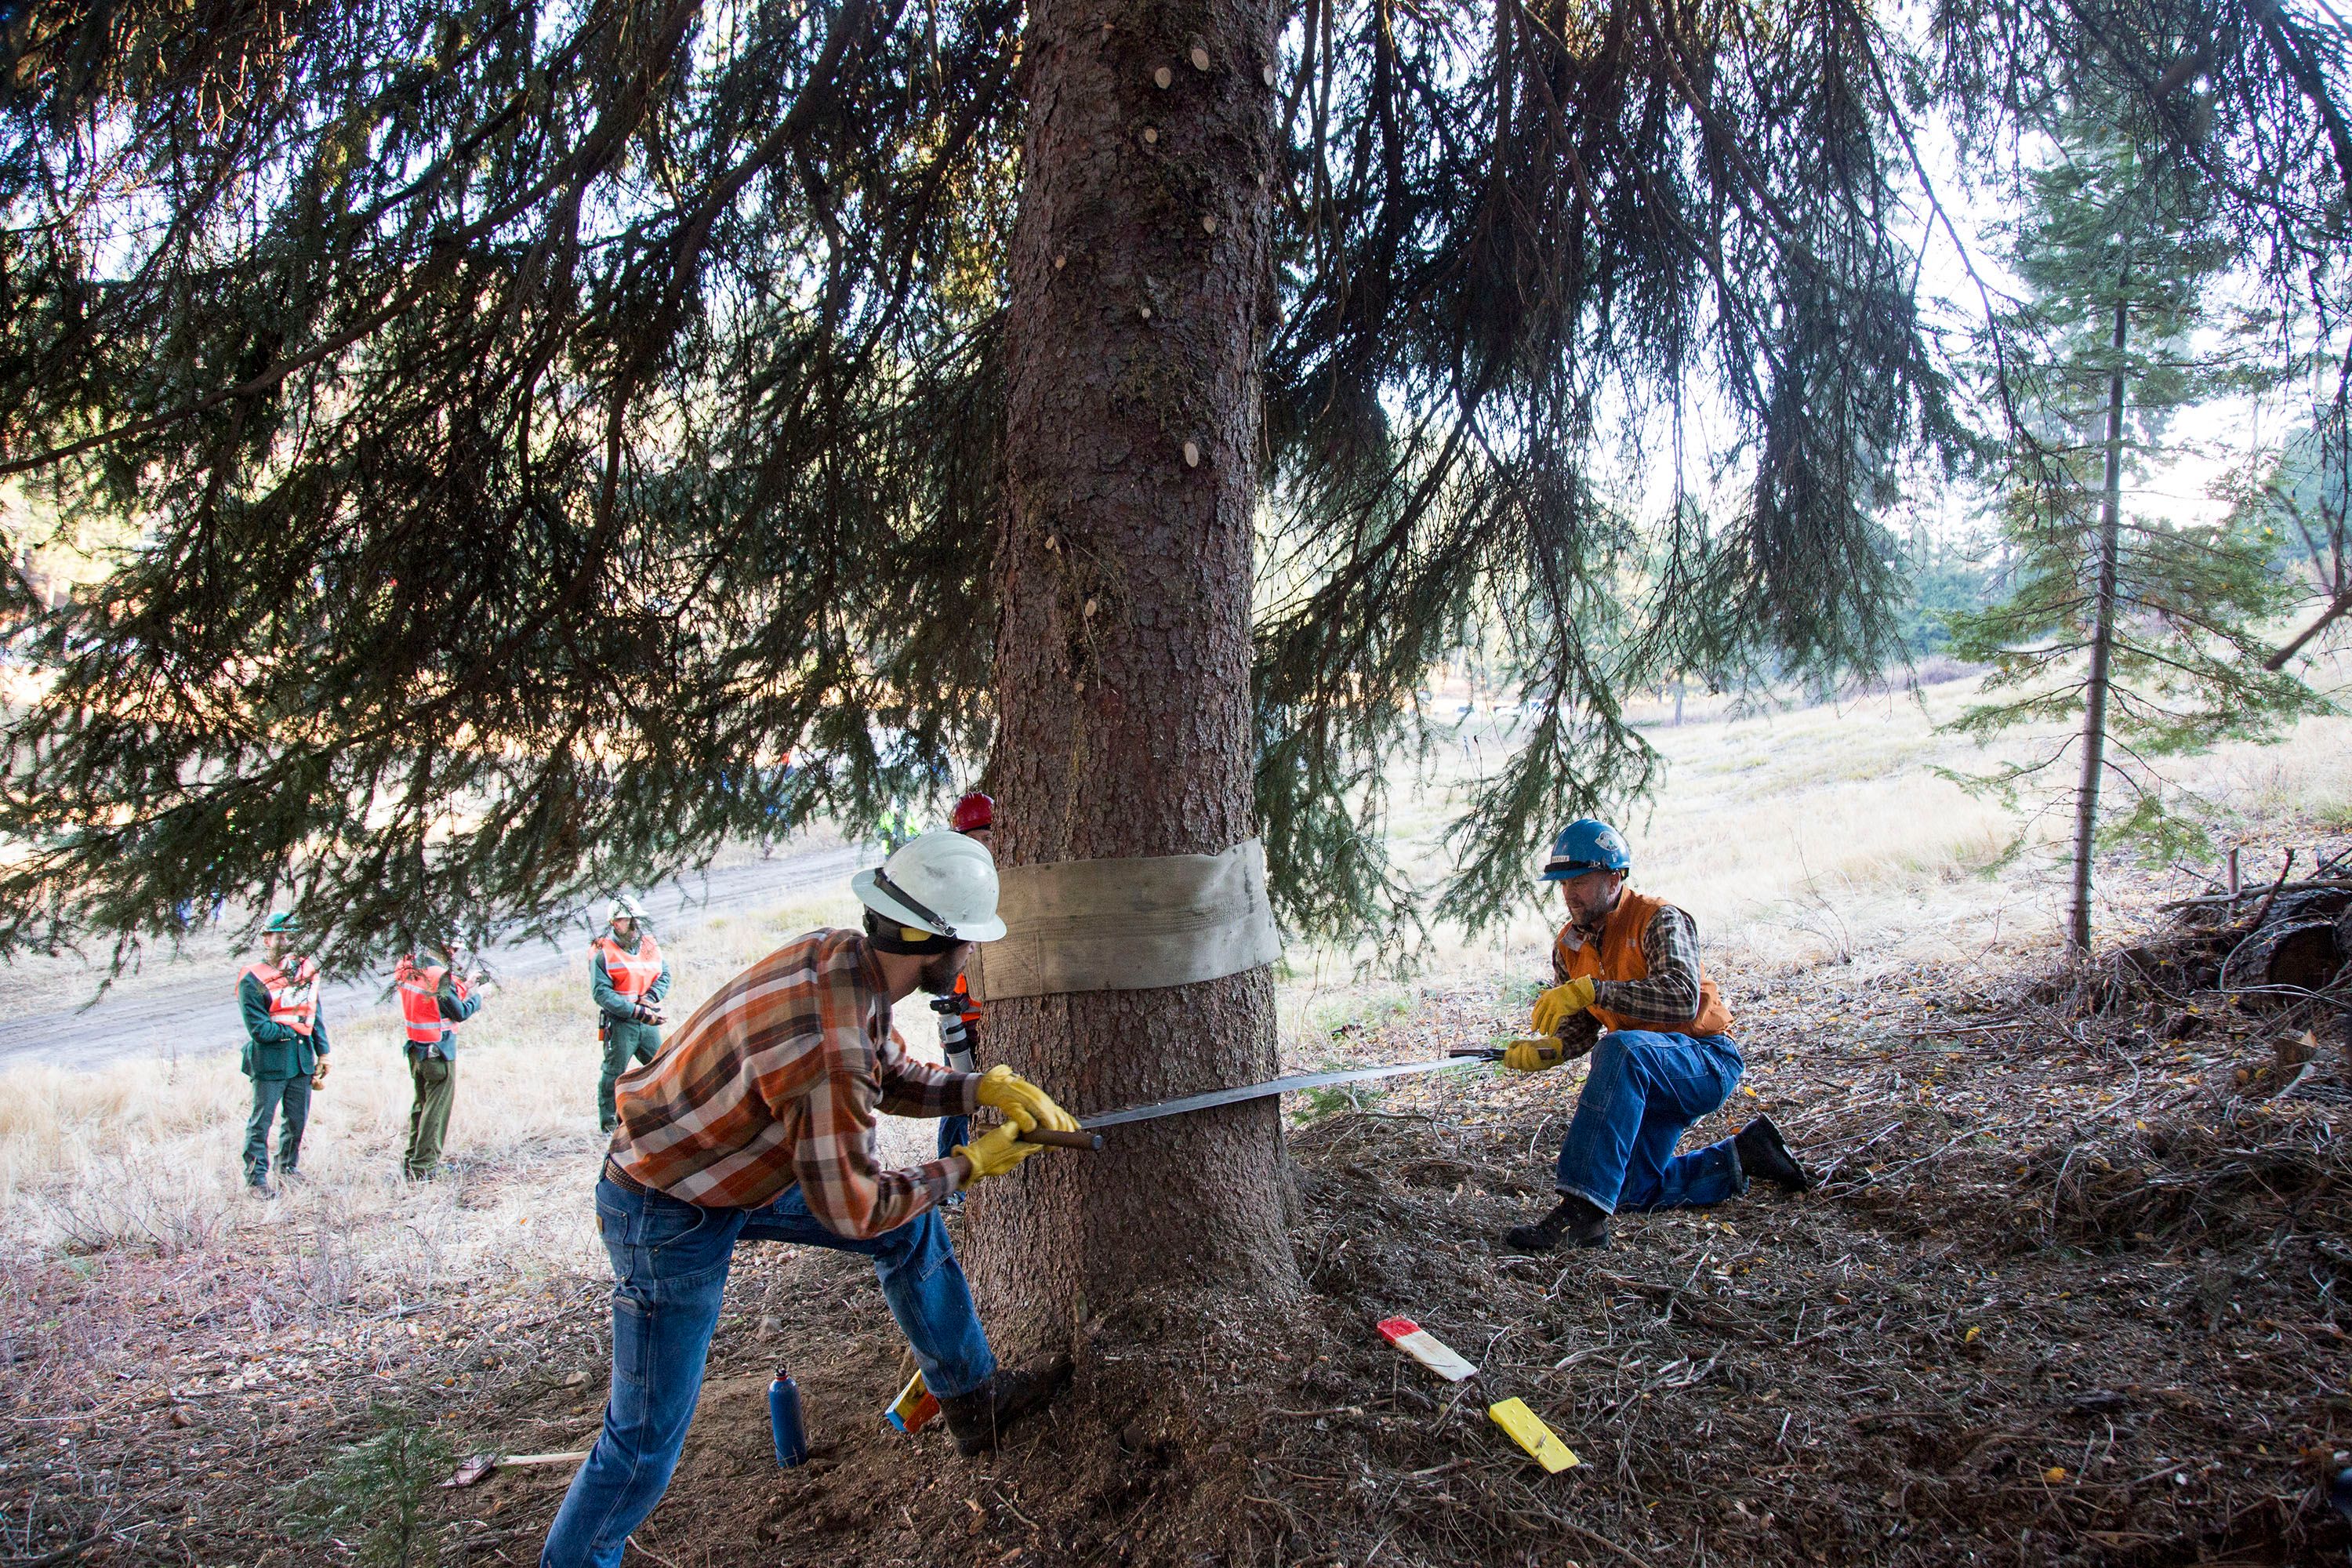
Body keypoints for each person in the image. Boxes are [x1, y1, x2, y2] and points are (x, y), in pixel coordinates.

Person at [539, 830, 1080, 1568]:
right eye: (967, 942)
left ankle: (973, 1405)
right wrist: (964, 1166)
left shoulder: (842, 961)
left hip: (730, 1167)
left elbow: (881, 1073)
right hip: (665, 1208)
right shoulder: (831, 1049)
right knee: (642, 1442)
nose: (970, 956)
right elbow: (854, 1208)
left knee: (910, 1233)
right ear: (937, 943)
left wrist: (974, 1088)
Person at [1498, 818, 1813, 1252]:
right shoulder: (1568, 947)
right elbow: (1583, 1028)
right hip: (1642, 1074)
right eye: (1562, 882)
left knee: (1622, 1051)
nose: (1570, 892)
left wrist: (1594, 989)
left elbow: (1682, 997)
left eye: (1580, 880)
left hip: (1703, 1062)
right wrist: (1548, 1049)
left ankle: (1579, 1214)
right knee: (1626, 1190)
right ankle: (1742, 1157)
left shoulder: (1658, 919)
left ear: (1614, 877)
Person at [238, 913, 331, 1195]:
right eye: (279, 935)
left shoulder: (305, 970)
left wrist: (324, 1052)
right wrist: (292, 1028)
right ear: (266, 939)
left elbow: (314, 1013)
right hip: (270, 1061)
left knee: (297, 1120)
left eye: (291, 935)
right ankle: (256, 1180)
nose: (286, 941)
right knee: (261, 1122)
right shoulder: (252, 979)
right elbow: (260, 1030)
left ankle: (287, 1168)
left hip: (302, 1059)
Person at [934, 790, 993, 1167]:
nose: (991, 846)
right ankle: (948, 1166)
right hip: (961, 1015)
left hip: (985, 1012)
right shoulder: (956, 888)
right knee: (957, 1096)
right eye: (985, 839)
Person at [395, 940, 483, 1180]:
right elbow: (459, 1011)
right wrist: (479, 997)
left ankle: (412, 1163)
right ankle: (425, 1168)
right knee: (436, 1110)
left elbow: (440, 1001)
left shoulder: (408, 966)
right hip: (439, 1053)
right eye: (454, 950)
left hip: (417, 1050)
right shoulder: (439, 975)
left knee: (421, 1107)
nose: (455, 955)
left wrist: (465, 985)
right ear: (447, 948)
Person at [591, 896, 670, 1134]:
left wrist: (651, 998)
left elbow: (665, 975)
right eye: (628, 920)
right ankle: (608, 1125)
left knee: (661, 1068)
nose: (634, 924)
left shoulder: (650, 946)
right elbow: (601, 993)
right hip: (621, 1024)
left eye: (636, 919)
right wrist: (636, 1011)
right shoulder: (603, 953)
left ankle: (666, 1114)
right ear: (615, 923)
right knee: (614, 1073)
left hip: (647, 1021)